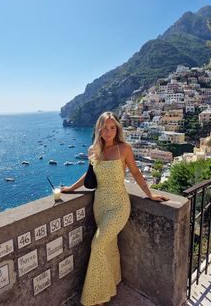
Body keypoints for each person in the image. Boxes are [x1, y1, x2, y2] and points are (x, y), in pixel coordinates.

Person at [61, 111, 169, 306]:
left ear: (117, 129)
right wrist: (70, 188)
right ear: (99, 129)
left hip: (119, 205)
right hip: (100, 205)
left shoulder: (124, 149)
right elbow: (89, 177)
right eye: (105, 128)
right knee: (108, 246)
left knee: (98, 244)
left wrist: (150, 194)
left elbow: (136, 173)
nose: (108, 132)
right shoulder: (92, 150)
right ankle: (112, 283)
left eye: (112, 128)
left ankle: (98, 296)